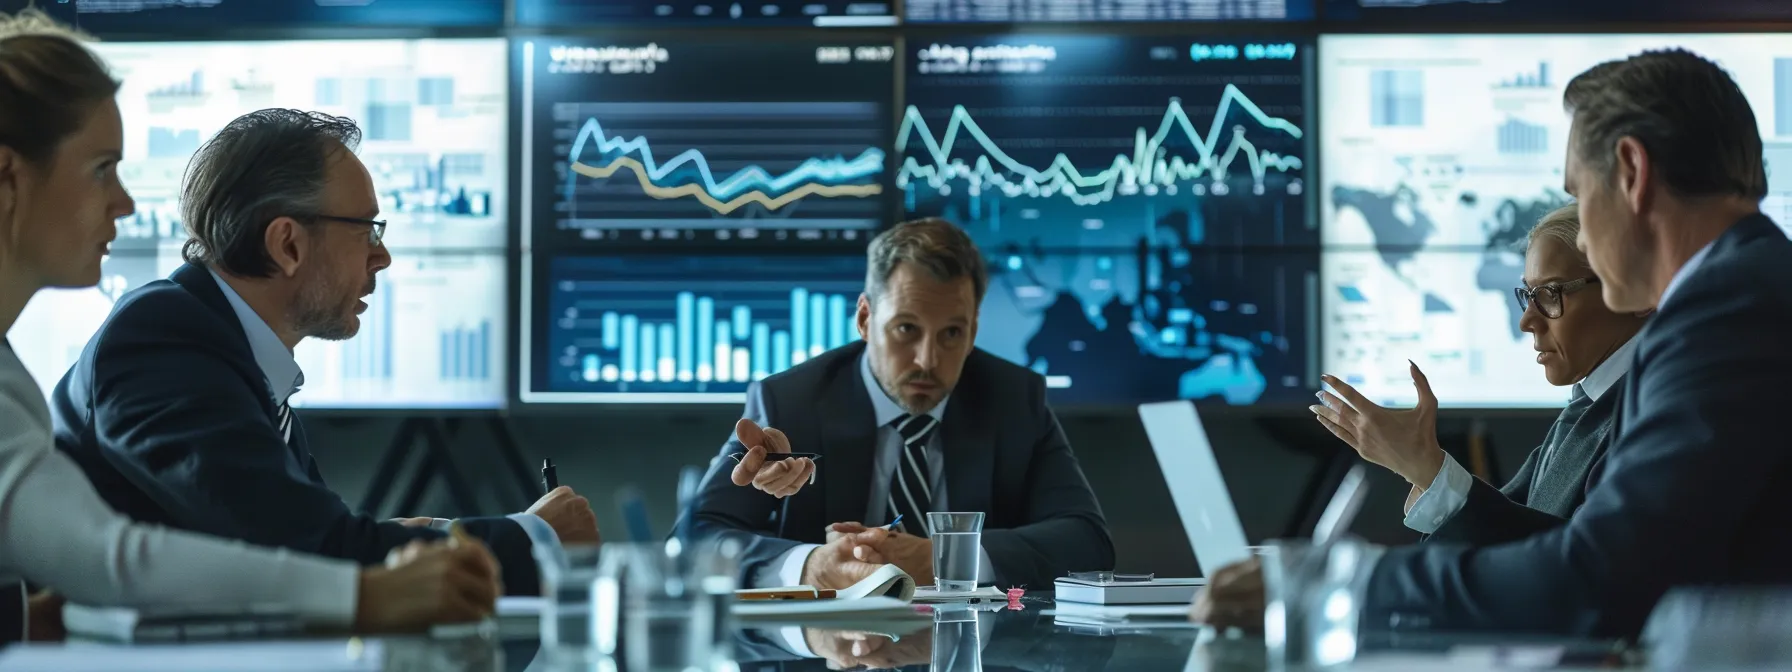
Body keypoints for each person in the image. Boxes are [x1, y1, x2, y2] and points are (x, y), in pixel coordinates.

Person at [1195, 48, 1792, 638]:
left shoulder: (1730, 310)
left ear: (1632, 173)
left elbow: (1598, 576)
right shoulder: (1745, 292)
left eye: (1580, 196)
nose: (1583, 227)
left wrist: (1340, 588)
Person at [0, 11, 497, 643]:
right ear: (9, 175)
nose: (124, 202)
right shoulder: (160, 337)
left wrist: (20, 618)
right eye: (102, 168)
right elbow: (113, 559)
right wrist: (363, 595)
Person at [49, 108, 596, 598]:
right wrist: (536, 537)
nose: (381, 257)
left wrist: (417, 537)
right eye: (367, 230)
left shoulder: (229, 352)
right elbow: (310, 557)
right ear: (287, 244)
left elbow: (303, 540)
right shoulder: (161, 343)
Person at [681, 217, 1114, 598]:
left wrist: (946, 559)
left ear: (974, 329)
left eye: (951, 334)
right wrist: (811, 566)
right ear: (866, 319)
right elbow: (695, 537)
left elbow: (1088, 542)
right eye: (906, 328)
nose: (928, 359)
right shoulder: (791, 402)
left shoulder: (1015, 399)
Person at [1310, 205, 1647, 543]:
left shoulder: (1649, 415)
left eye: (1550, 293)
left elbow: (1574, 564)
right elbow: (1508, 529)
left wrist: (1428, 468)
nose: (1526, 321)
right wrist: (1421, 469)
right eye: (1528, 296)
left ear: (1631, 290)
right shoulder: (1588, 405)